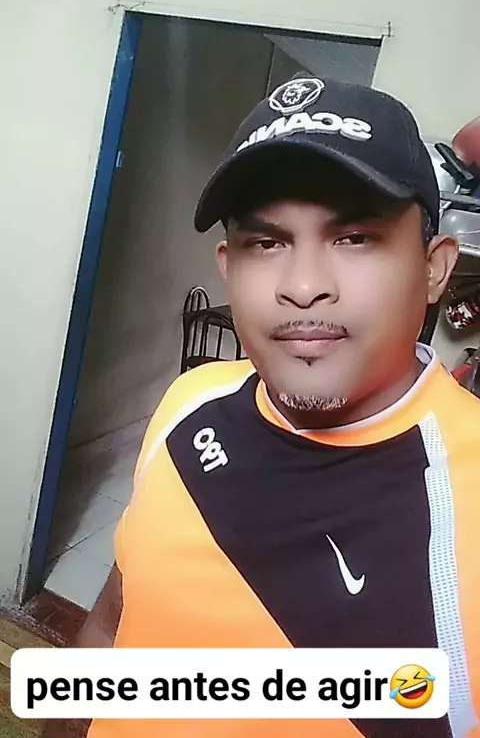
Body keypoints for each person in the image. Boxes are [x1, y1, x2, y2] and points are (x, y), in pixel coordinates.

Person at [45, 76, 480, 738]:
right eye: (266, 243)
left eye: (354, 237)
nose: (303, 286)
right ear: (228, 266)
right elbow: (111, 629)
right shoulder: (191, 401)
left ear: (434, 268)